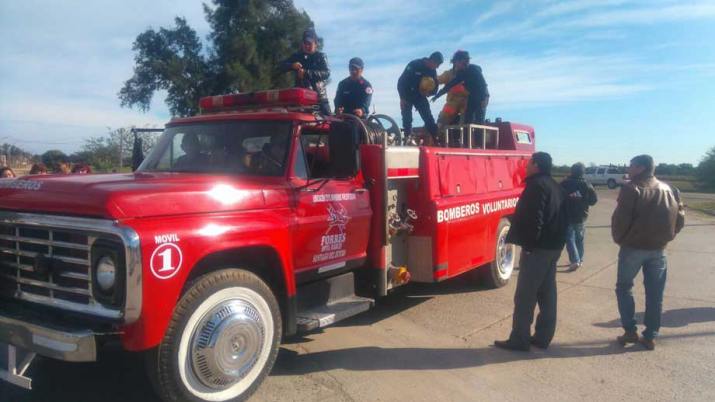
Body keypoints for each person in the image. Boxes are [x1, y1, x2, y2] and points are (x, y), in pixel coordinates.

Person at [495, 152, 568, 351]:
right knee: (547, 294)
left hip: (538, 250)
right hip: (553, 248)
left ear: (536, 165)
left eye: (529, 163)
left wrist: (528, 246)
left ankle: (519, 339)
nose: (526, 166)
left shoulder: (536, 187)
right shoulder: (556, 186)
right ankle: (543, 337)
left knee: (525, 296)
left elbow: (534, 219)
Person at [612, 154, 685, 351]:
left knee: (624, 287)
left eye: (631, 165)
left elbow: (620, 219)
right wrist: (668, 236)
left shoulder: (631, 188)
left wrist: (620, 239)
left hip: (633, 248)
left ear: (641, 167)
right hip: (659, 249)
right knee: (655, 294)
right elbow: (680, 218)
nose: (628, 168)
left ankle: (630, 331)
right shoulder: (670, 189)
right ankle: (651, 335)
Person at [279, 28, 331, 115]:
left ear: (315, 44)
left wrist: (306, 73)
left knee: (329, 122)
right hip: (301, 98)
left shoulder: (321, 56)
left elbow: (327, 73)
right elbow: (281, 66)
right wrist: (291, 65)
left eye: (309, 43)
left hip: (319, 98)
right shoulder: (297, 56)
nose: (307, 46)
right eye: (305, 43)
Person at [431, 50, 489, 125]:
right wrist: (437, 96)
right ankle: (465, 134)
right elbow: (450, 85)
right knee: (467, 121)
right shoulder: (460, 73)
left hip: (481, 98)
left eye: (458, 63)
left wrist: (486, 97)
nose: (457, 65)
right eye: (455, 63)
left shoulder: (474, 70)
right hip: (471, 98)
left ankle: (478, 135)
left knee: (478, 121)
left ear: (464, 61)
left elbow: (483, 85)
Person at [397, 52, 443, 144]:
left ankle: (436, 139)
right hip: (407, 94)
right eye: (437, 64)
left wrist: (429, 93)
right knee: (407, 118)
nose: (437, 67)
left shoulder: (432, 71)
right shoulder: (414, 64)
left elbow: (436, 86)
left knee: (428, 117)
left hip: (420, 96)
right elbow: (401, 82)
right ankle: (408, 138)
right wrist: (402, 98)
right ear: (432, 60)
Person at [561, 162, 598, 271]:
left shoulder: (564, 183)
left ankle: (575, 260)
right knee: (579, 239)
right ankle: (579, 259)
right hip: (581, 216)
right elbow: (593, 201)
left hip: (567, 215)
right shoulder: (587, 184)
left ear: (571, 171)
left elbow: (558, 197)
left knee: (569, 239)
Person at [436, 64, 469, 129]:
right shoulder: (448, 74)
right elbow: (438, 80)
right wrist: (431, 78)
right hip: (452, 101)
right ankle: (439, 135)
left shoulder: (469, 73)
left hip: (466, 101)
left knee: (465, 123)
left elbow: (479, 86)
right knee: (443, 118)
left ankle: (465, 136)